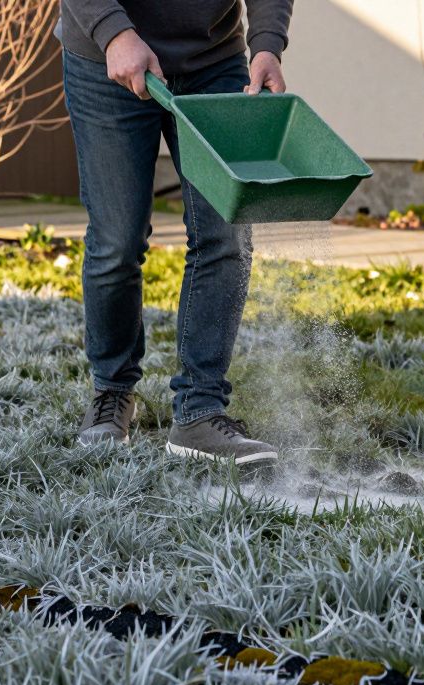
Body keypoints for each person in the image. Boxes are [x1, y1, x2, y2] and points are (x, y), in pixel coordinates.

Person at [59, 1, 292, 465]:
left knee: (225, 236)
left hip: (214, 64)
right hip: (107, 59)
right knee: (116, 242)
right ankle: (112, 393)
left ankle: (200, 410)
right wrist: (113, 33)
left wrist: (267, 45)